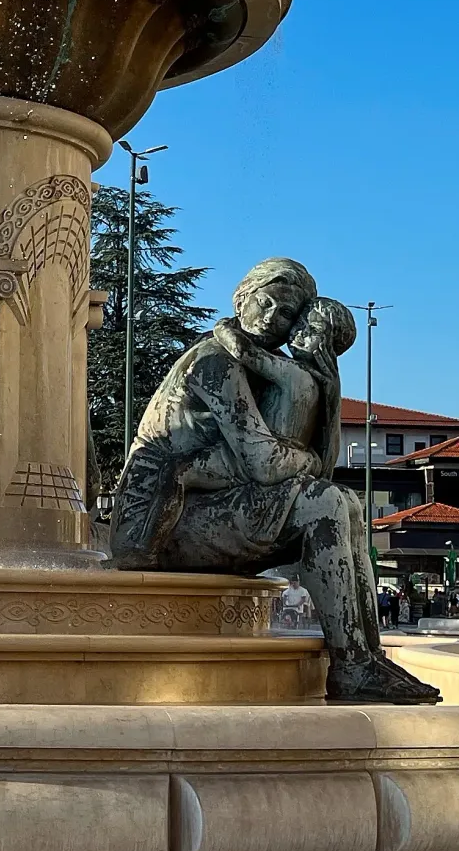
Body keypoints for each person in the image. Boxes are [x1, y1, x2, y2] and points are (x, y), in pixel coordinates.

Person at [109, 258, 436, 704]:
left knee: (349, 502)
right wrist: (304, 459)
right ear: (243, 294)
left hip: (203, 504)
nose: (272, 317)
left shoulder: (269, 371)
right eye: (267, 301)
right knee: (322, 503)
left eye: (286, 314)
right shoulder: (214, 361)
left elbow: (278, 462)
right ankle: (352, 666)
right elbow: (263, 462)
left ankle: (365, 656)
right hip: (161, 522)